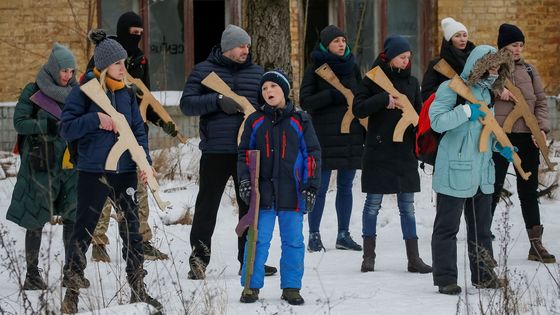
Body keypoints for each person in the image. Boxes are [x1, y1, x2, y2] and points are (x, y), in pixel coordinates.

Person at [59, 30, 162, 313]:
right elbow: (65, 128)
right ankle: (72, 293)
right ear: (104, 65)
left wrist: (145, 163)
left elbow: (139, 132)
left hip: (126, 170)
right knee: (84, 231)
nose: (122, 67)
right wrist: (95, 119)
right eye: (117, 63)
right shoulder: (84, 92)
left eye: (123, 62)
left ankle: (137, 287)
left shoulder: (127, 94)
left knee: (132, 230)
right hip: (94, 171)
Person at [180, 24, 277, 280]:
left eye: (248, 45)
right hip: (215, 151)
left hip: (247, 153)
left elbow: (266, 105)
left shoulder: (258, 74)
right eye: (241, 45)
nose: (246, 49)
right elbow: (186, 104)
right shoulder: (203, 71)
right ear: (227, 48)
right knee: (206, 208)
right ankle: (198, 260)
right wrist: (217, 101)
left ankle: (249, 260)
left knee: (250, 207)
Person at [88, 11, 171, 263]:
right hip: (108, 136)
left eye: (140, 34)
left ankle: (142, 240)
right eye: (133, 34)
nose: (137, 38)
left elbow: (145, 97)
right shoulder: (104, 57)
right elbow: (91, 95)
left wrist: (160, 120)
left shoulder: (140, 59)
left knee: (139, 189)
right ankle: (98, 242)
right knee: (104, 191)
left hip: (135, 133)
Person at [429, 45, 513, 295]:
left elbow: (483, 132)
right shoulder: (450, 89)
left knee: (481, 230)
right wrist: (465, 110)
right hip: (454, 169)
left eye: (498, 66)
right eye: (491, 65)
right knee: (447, 228)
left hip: (481, 172)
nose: (495, 70)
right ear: (478, 64)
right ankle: (445, 279)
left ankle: (484, 276)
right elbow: (437, 121)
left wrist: (502, 147)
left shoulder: (487, 93)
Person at [237, 69, 321, 305]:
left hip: (293, 194)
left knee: (293, 241)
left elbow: (312, 154)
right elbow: (244, 153)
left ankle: (292, 287)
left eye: (273, 87)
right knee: (257, 240)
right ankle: (251, 286)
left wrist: (311, 186)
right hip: (262, 194)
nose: (268, 91)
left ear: (284, 90)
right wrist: (245, 181)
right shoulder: (255, 121)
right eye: (264, 89)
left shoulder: (300, 120)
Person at [352, 35, 432, 275]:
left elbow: (418, 117)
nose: (406, 62)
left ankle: (414, 258)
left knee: (407, 207)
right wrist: (381, 99)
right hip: (378, 152)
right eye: (402, 57)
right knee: (372, 205)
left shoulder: (412, 83)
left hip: (404, 153)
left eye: (409, 58)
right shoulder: (372, 79)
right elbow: (358, 108)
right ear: (389, 57)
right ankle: (368, 257)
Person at [6, 43, 78, 290]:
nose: (68, 75)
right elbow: (19, 123)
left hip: (69, 163)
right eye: (64, 70)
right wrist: (46, 127)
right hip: (41, 162)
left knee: (73, 215)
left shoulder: (78, 92)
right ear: (53, 68)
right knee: (36, 218)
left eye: (71, 70)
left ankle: (71, 271)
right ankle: (32, 274)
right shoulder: (33, 90)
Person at [491, 23, 555, 263]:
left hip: (527, 138)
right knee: (493, 188)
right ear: (503, 46)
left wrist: (540, 129)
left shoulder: (529, 70)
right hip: (500, 137)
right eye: (513, 45)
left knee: (528, 190)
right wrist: (498, 91)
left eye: (520, 45)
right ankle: (483, 247)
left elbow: (540, 101)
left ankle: (535, 245)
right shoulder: (492, 67)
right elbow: (478, 90)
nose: (517, 49)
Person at [300, 25, 364, 252]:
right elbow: (305, 101)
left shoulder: (353, 68)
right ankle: (314, 235)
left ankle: (343, 234)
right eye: (336, 41)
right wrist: (331, 95)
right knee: (319, 186)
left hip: (350, 134)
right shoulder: (315, 68)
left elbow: (361, 97)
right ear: (326, 44)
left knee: (346, 186)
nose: (341, 44)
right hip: (323, 136)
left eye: (343, 40)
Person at [421, 17, 476, 101]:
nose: (462, 39)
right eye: (457, 36)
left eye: (465, 35)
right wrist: (448, 91)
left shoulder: (475, 61)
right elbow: (426, 95)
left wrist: (502, 89)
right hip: (447, 111)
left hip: (474, 110)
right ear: (450, 40)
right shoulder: (437, 64)